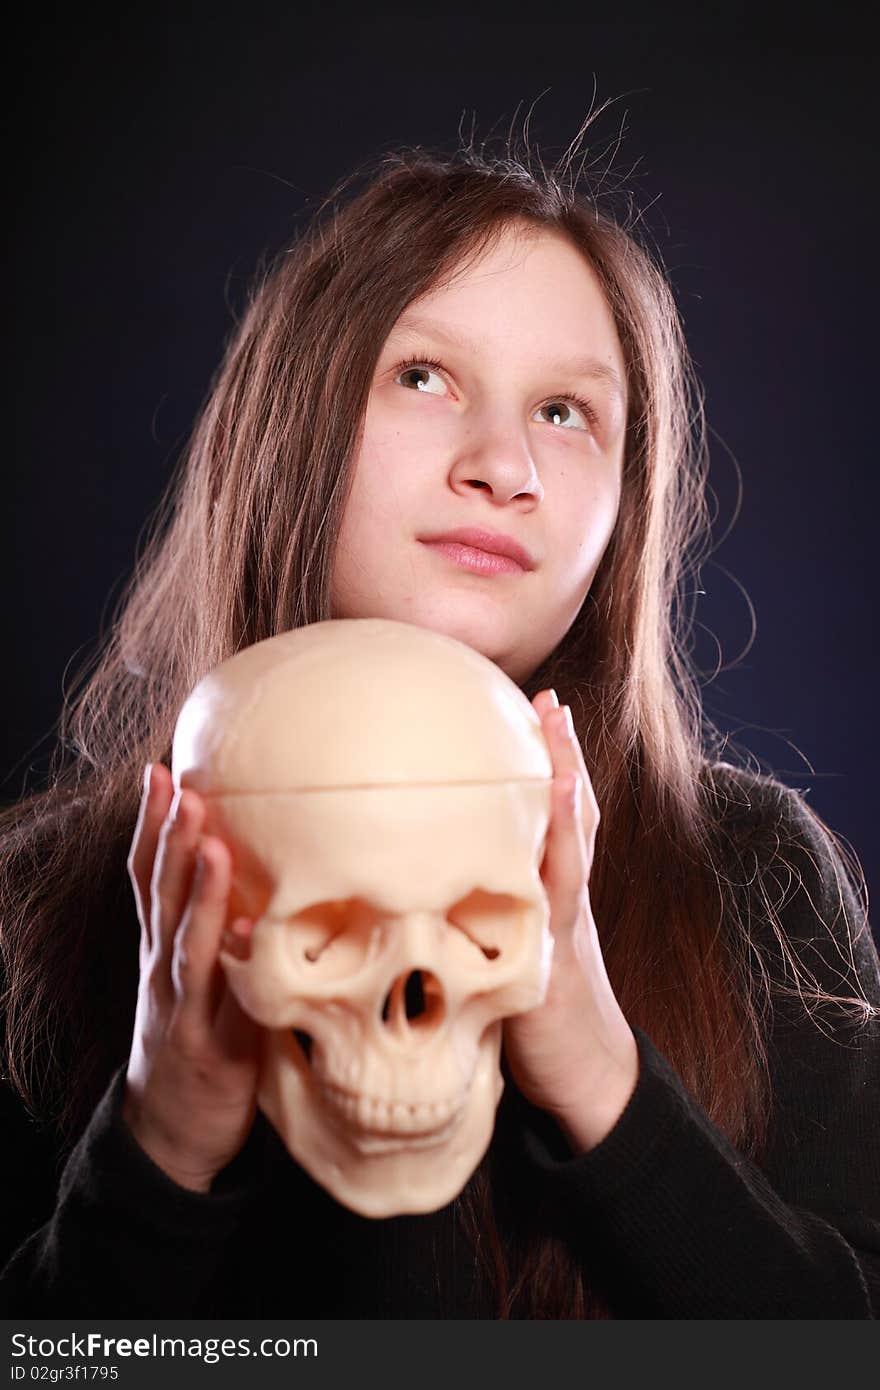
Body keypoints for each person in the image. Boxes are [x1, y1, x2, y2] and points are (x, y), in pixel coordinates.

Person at [1, 123, 878, 1320]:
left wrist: (603, 1078)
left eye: (567, 411)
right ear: (292, 417)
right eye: (423, 376)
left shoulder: (755, 875)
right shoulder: (36, 897)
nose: (502, 463)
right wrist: (159, 1147)